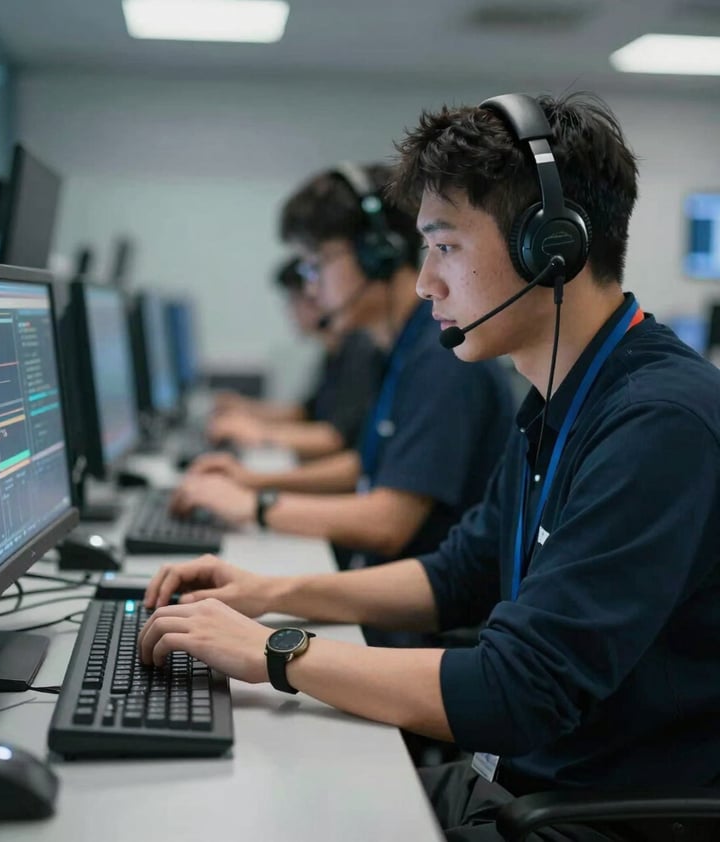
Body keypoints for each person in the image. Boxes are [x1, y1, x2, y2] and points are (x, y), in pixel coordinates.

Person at [139, 92, 720, 839]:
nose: (423, 283)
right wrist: (270, 591)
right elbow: (457, 576)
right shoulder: (564, 397)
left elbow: (520, 689)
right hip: (514, 781)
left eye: (445, 246)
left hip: (581, 817)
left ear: (552, 248)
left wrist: (274, 650)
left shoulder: (658, 423)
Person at [172, 163, 514, 592]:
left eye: (318, 264)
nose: (311, 288)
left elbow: (387, 522)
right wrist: (255, 481)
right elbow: (368, 466)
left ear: (377, 253)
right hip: (382, 591)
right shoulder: (395, 348)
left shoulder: (442, 357)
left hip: (419, 625)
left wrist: (253, 505)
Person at [208, 258, 384, 460]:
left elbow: (336, 437)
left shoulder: (361, 350)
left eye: (293, 300)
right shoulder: (334, 350)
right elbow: (304, 413)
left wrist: (259, 433)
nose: (289, 311)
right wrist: (245, 408)